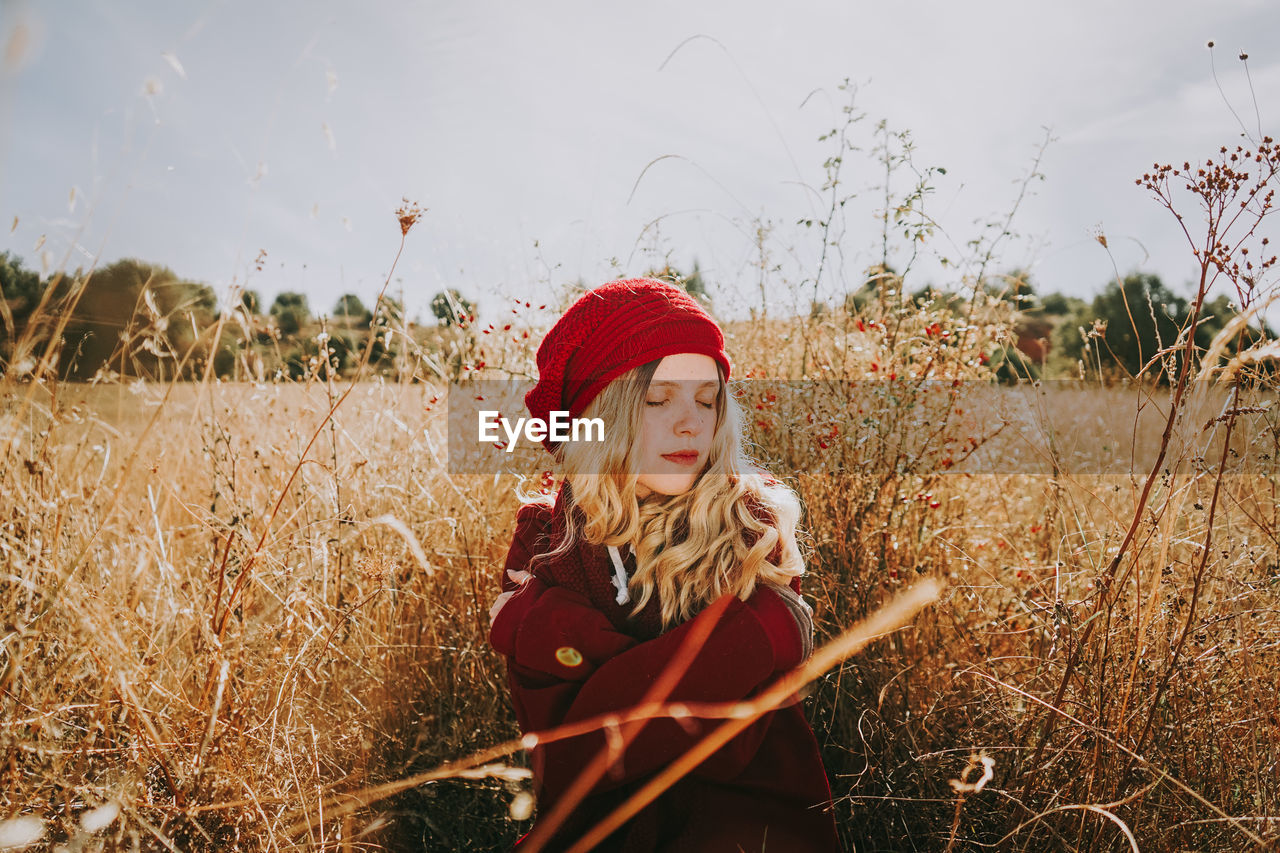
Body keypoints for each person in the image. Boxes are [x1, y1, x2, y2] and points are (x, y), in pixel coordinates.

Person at [487, 278, 841, 852]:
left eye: (707, 400)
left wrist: (543, 627)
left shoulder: (749, 530)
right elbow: (569, 752)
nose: (690, 424)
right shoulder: (546, 539)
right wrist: (753, 635)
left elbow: (734, 745)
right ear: (596, 415)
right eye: (657, 400)